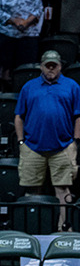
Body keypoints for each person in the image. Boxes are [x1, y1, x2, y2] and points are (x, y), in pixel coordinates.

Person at [15, 50, 80, 223]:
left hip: (64, 146)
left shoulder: (72, 86)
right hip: (32, 147)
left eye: (54, 65)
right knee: (31, 190)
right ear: (41, 66)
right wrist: (21, 141)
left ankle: (63, 227)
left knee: (63, 188)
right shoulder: (29, 87)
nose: (51, 69)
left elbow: (78, 116)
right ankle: (33, 227)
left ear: (60, 66)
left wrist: (75, 141)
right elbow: (19, 116)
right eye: (47, 65)